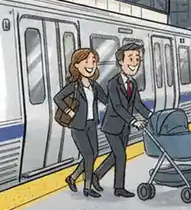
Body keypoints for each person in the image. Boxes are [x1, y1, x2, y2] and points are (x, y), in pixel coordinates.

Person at [90, 42, 153, 198]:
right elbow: (117, 107)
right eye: (130, 58)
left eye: (137, 59)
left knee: (115, 154)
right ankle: (119, 188)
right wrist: (134, 121)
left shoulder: (133, 83)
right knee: (121, 155)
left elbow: (137, 104)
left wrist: (151, 116)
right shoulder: (113, 83)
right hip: (112, 126)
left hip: (124, 126)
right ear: (121, 62)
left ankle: (95, 176)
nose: (134, 63)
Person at [55, 48, 109, 198]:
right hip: (78, 126)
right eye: (86, 61)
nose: (90, 64)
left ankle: (72, 178)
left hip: (91, 124)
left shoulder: (94, 85)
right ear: (77, 65)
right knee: (89, 156)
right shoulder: (75, 86)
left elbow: (106, 100)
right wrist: (68, 111)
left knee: (94, 154)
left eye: (93, 61)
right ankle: (87, 187)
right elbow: (58, 98)